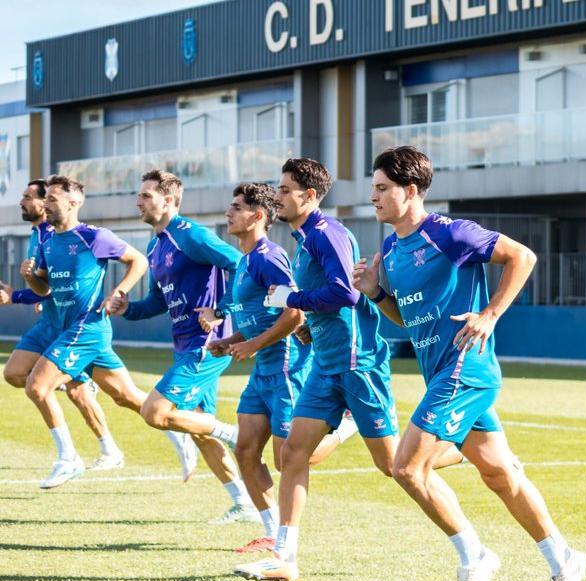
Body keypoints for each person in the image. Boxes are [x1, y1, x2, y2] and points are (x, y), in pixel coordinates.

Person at [351, 145, 586, 581]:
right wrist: (376, 294)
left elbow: (522, 256)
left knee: (405, 467)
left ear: (411, 190)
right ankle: (564, 558)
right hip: (440, 372)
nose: (373, 198)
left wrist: (490, 313)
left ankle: (474, 556)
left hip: (466, 367)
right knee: (501, 476)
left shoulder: (449, 232)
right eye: (372, 189)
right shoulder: (392, 250)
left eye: (381, 189)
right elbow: (409, 319)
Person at [233, 158, 460, 581]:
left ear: (310, 196)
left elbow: (345, 294)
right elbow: (322, 296)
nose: (278, 196)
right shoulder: (304, 240)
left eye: (284, 190)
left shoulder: (328, 233)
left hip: (358, 360)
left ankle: (462, 447)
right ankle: (285, 557)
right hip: (326, 360)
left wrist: (291, 299)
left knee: (393, 466)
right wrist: (304, 321)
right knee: (291, 453)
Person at [199, 182, 357, 553]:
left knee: (290, 458)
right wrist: (232, 339)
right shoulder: (244, 261)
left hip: (286, 365)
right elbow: (257, 314)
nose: (228, 213)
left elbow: (293, 313)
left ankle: (345, 427)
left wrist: (251, 345)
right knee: (245, 450)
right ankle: (271, 531)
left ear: (257, 216)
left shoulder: (269, 257)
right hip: (263, 369)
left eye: (236, 207)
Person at [107, 170, 255, 523]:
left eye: (146, 195)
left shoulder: (190, 235)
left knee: (155, 412)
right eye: (139, 195)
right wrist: (129, 309)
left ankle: (232, 434)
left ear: (169, 200)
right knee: (198, 428)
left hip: (209, 342)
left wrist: (222, 310)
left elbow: (240, 264)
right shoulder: (156, 245)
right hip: (185, 343)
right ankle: (244, 504)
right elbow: (158, 302)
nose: (138, 201)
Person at [19, 176, 152, 489]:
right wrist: (29, 279)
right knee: (126, 397)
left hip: (87, 327)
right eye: (46, 198)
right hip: (67, 329)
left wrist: (118, 291)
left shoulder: (93, 235)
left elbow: (138, 261)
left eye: (52, 199)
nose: (46, 205)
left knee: (37, 387)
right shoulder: (48, 242)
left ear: (72, 203)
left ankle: (68, 458)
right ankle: (182, 429)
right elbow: (44, 287)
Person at [1, 178, 127, 473]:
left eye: (30, 196)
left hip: (77, 325)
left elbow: (45, 289)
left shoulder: (71, 234)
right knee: (16, 374)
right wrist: (29, 284)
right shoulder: (41, 236)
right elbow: (44, 287)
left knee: (119, 396)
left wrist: (16, 295)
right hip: (52, 321)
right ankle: (105, 447)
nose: (27, 202)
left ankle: (79, 455)